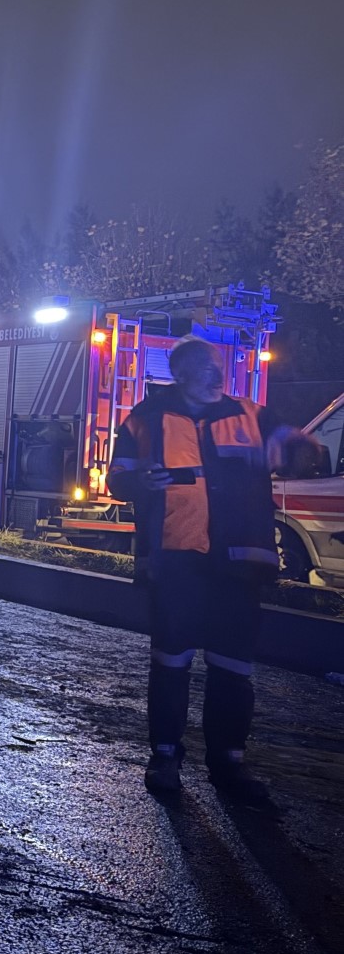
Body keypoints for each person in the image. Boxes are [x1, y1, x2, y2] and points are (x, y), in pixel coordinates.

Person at [108, 335, 315, 806]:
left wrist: (303, 447)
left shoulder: (253, 415)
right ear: (180, 373)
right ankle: (164, 757)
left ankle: (228, 763)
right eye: (204, 366)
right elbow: (116, 478)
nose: (215, 373)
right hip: (175, 557)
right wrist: (140, 481)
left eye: (218, 364)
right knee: (171, 660)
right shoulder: (146, 417)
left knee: (233, 666)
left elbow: (298, 450)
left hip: (240, 562)